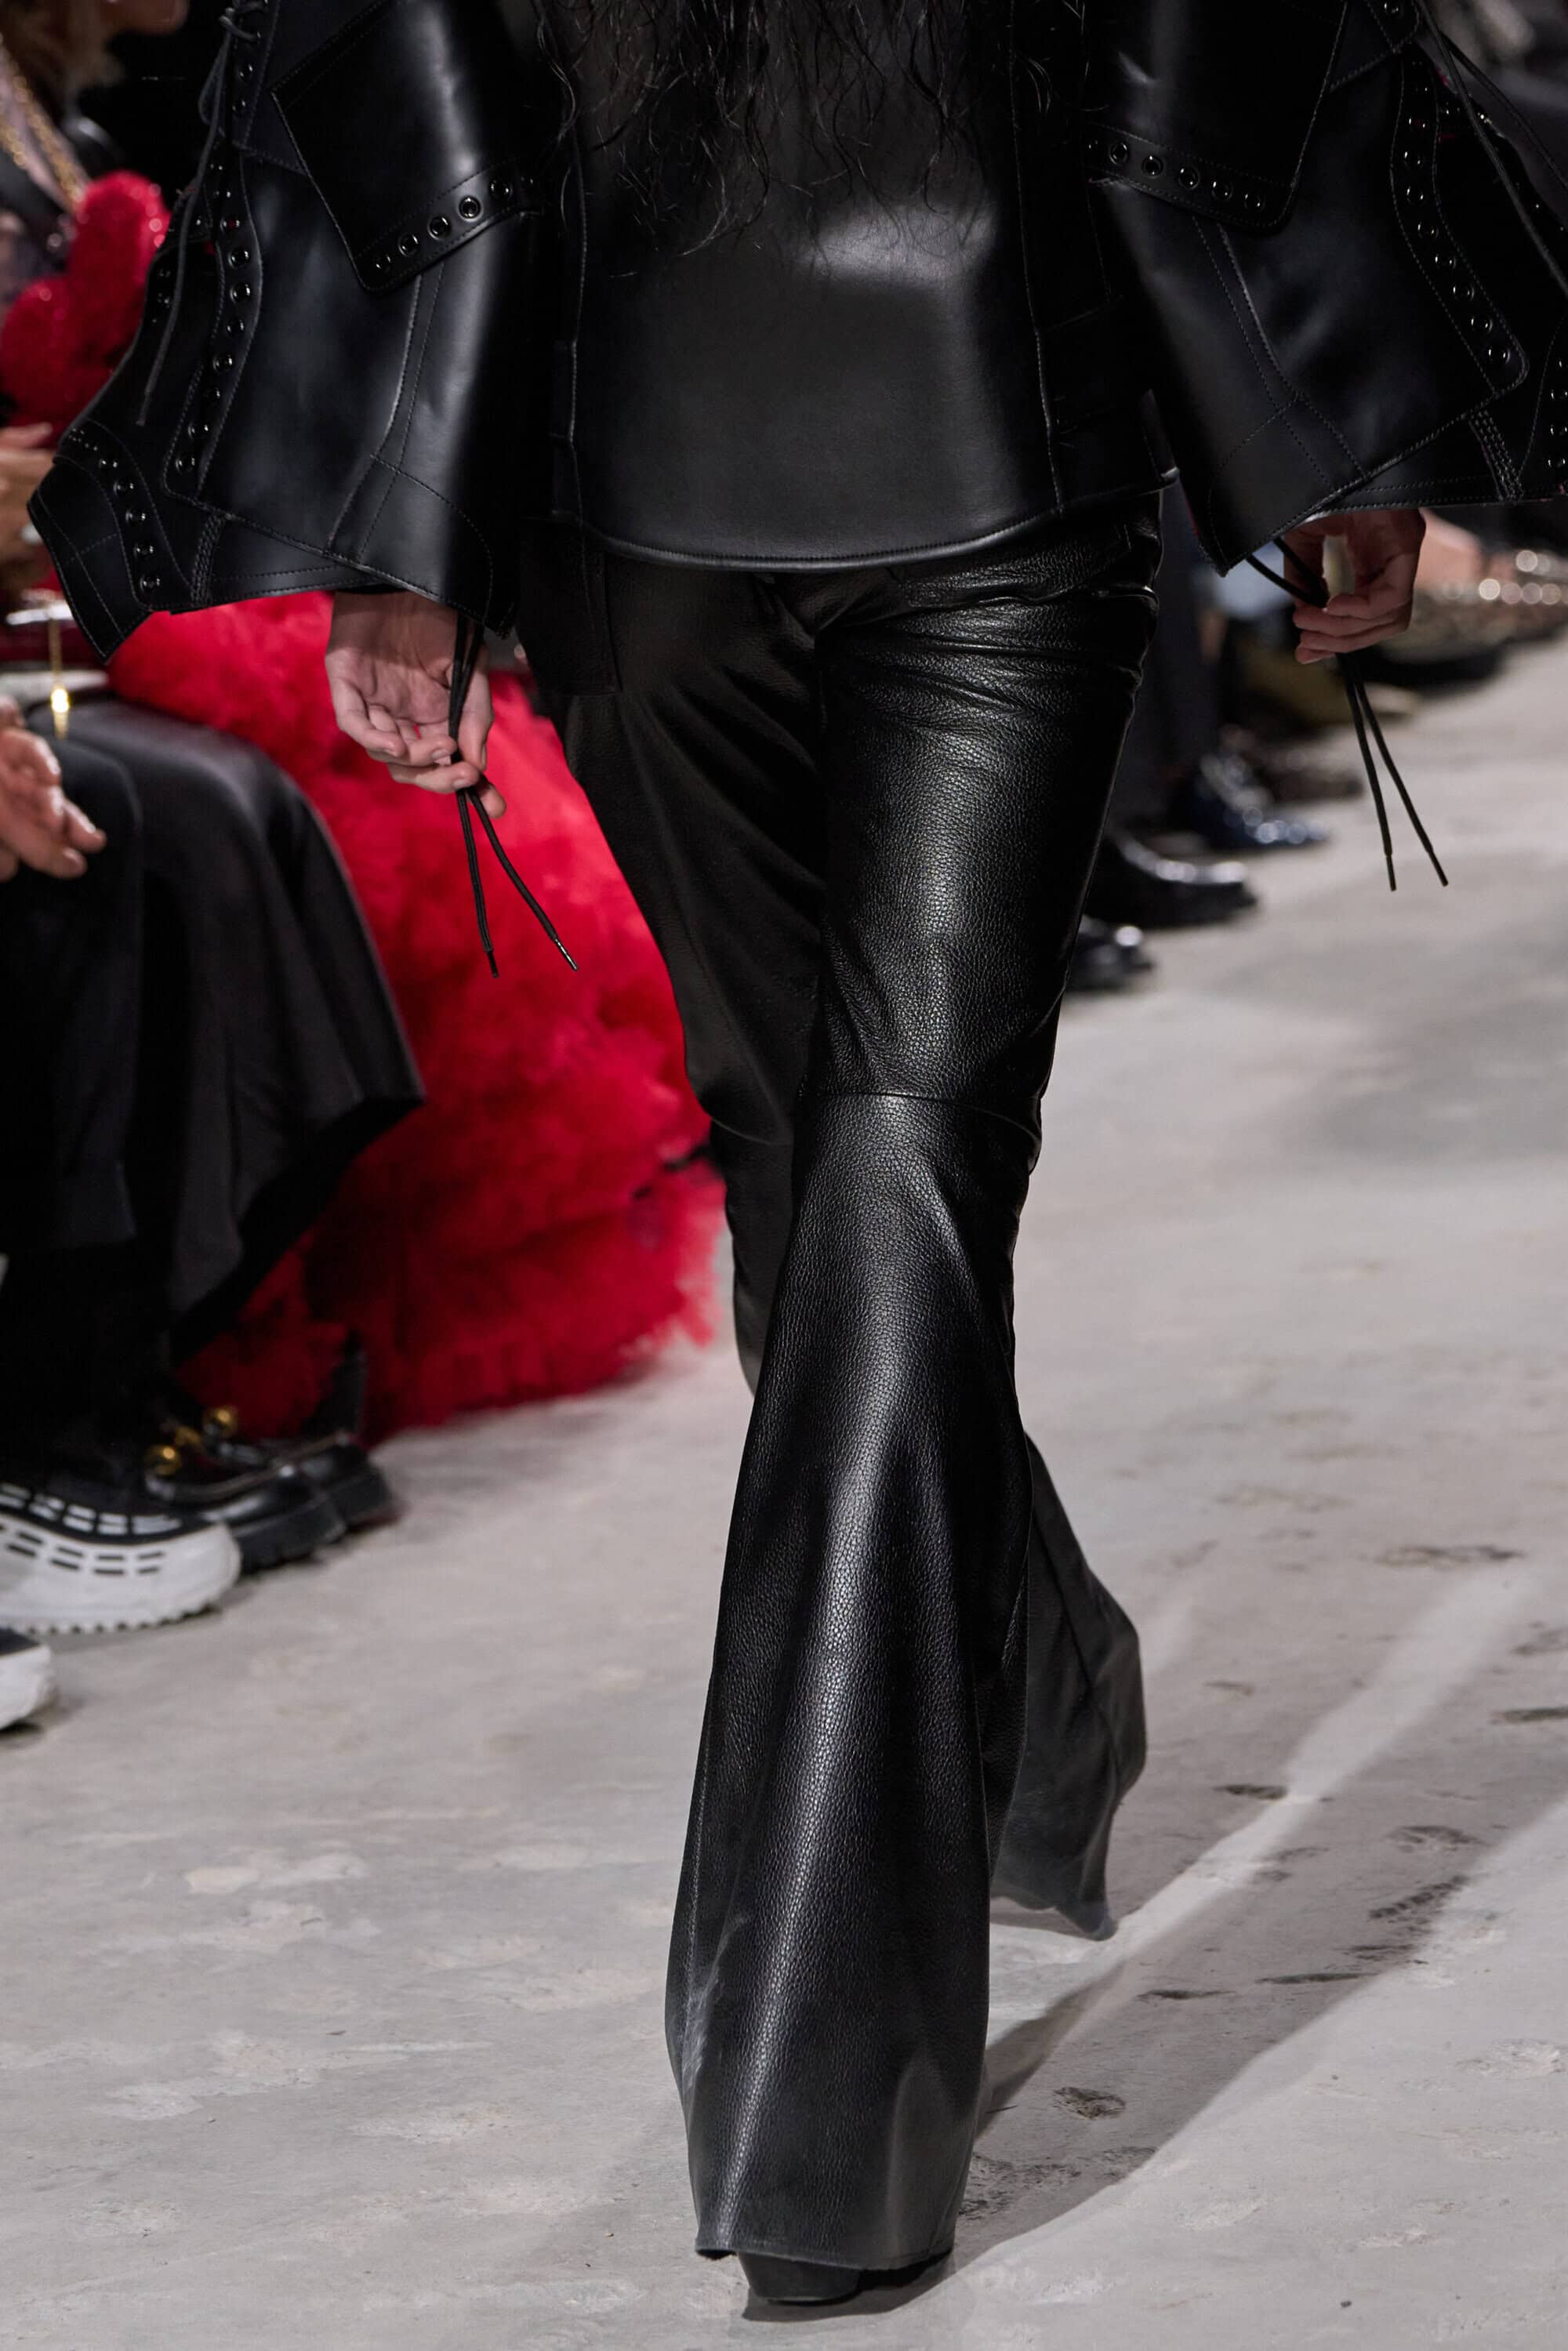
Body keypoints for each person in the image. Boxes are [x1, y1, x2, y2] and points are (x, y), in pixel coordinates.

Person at [38, 0, 1567, 2309]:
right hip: (793, 477)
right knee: (826, 1163)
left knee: (884, 1174)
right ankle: (1038, 1684)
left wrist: (409, 516)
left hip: (838, 473)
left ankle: (821, 2082)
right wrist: (1293, 401)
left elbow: (412, 63)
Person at [0, 0, 423, 1640]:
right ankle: (56, 1416)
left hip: (45, 602)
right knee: (135, 810)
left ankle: (129, 1377)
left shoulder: (44, 104)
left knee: (217, 802)